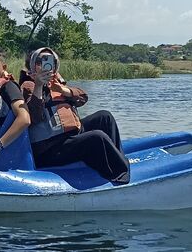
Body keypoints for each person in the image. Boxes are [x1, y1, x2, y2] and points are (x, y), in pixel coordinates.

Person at [21, 47, 130, 184]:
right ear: (32, 66)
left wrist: (63, 90)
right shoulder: (28, 85)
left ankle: (116, 157)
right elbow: (34, 117)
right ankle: (119, 174)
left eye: (50, 61)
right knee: (97, 137)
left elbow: (83, 98)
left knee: (105, 117)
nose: (44, 65)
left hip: (69, 135)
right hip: (50, 148)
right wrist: (38, 86)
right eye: (39, 61)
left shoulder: (56, 83)